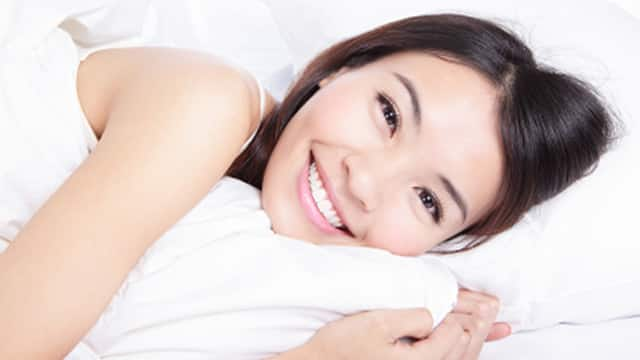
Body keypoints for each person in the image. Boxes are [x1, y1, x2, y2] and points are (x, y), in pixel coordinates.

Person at [0, 13, 614, 359]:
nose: (367, 180)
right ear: (340, 69)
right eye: (390, 114)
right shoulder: (209, 105)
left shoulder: (239, 231)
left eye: (428, 201)